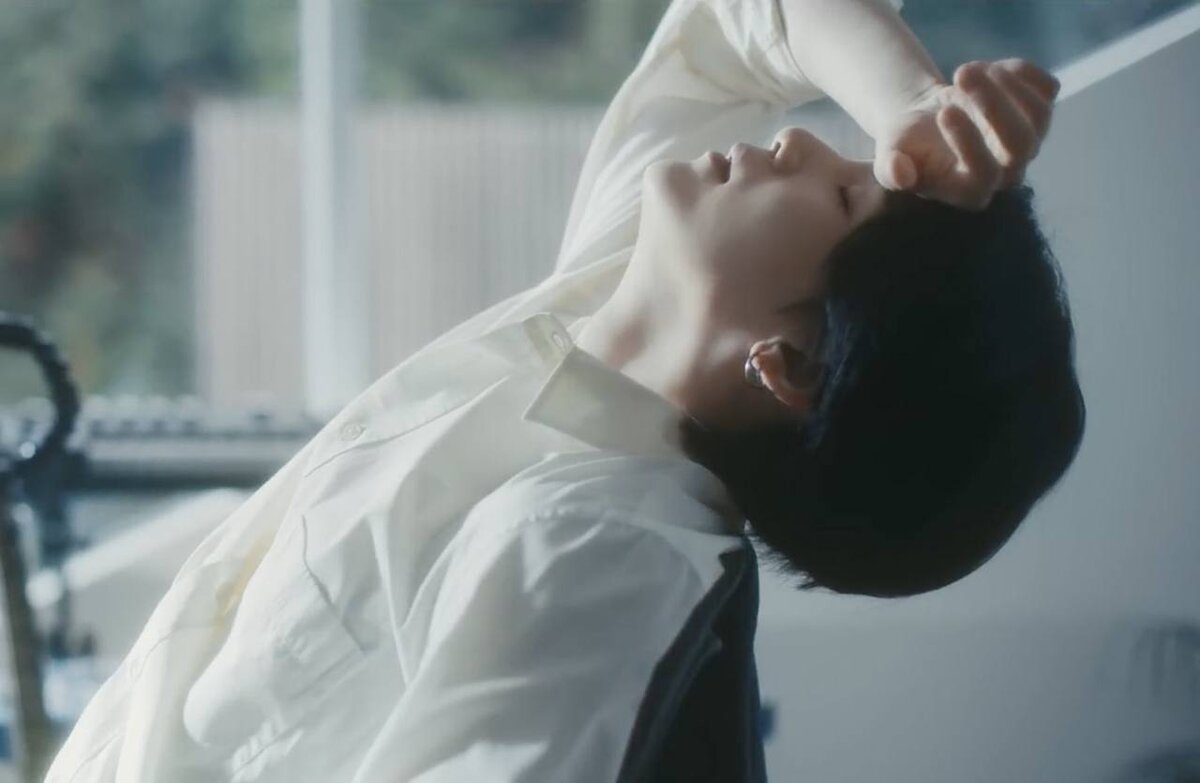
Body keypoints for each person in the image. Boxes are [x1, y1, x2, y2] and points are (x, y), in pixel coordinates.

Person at [45, 0, 1084, 780]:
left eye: (848, 193)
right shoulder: (612, 281)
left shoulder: (595, 552)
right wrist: (910, 104)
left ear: (792, 367)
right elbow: (738, 23)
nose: (806, 141)